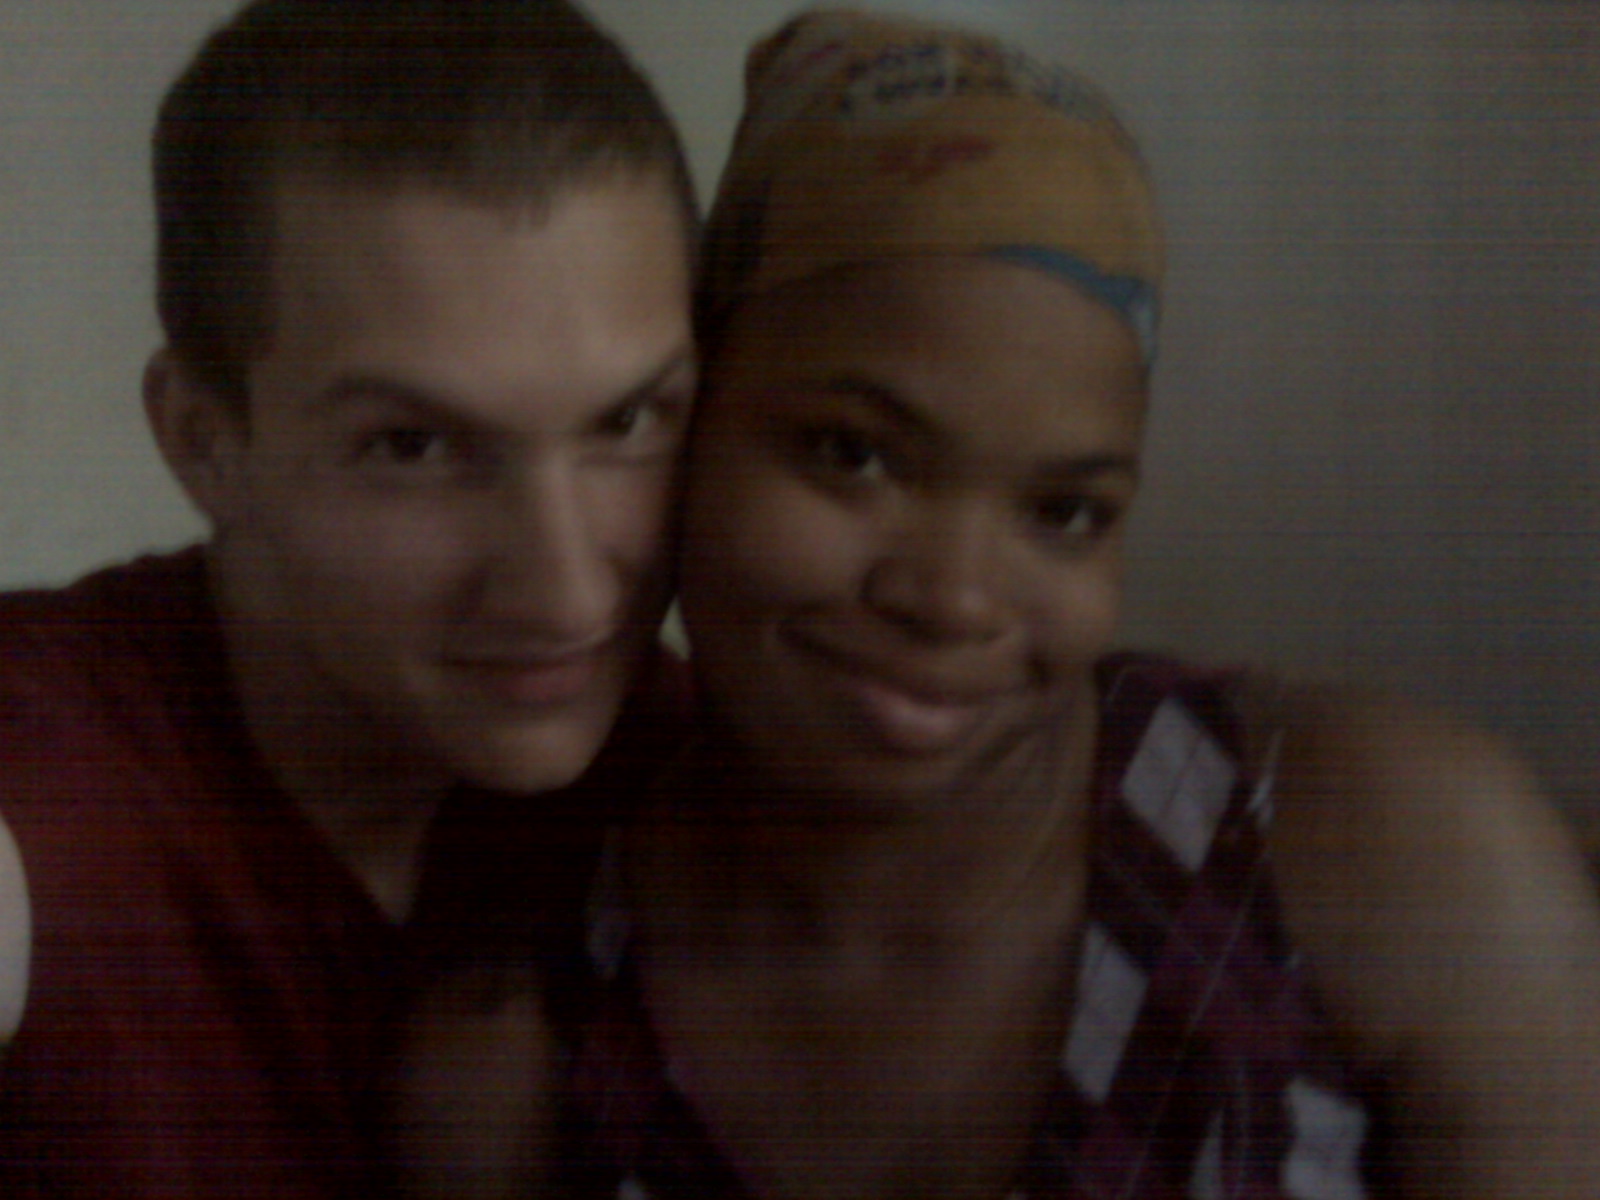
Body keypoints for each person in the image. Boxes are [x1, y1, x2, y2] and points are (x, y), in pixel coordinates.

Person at [396, 9, 1600, 1200]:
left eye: (1064, 511)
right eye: (853, 453)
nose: (956, 599)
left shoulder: (1393, 862)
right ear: (685, 415)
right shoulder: (522, 1057)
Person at [0, 0, 699, 1196]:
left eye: (626, 422)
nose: (565, 591)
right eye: (412, 446)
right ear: (205, 440)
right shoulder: (51, 778)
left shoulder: (694, 778)